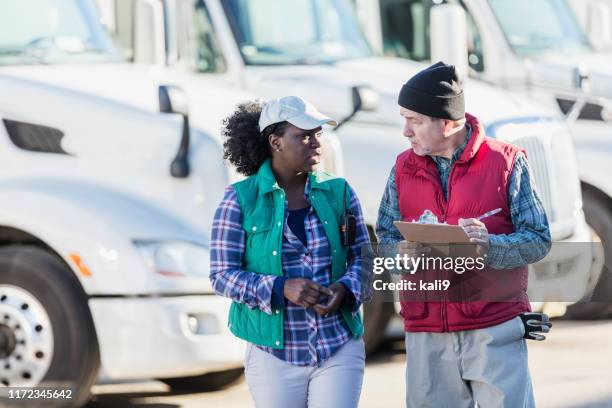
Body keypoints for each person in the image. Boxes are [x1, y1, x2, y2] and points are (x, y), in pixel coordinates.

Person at [376, 61, 552, 407]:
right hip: (426, 334)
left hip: (494, 328)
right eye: (404, 119)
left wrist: (490, 245)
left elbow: (538, 238)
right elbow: (384, 239)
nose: (406, 131)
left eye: (415, 120)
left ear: (449, 122)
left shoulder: (506, 163)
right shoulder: (401, 168)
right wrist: (402, 254)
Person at [210, 96, 370, 408]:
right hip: (273, 354)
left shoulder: (339, 192)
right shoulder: (239, 200)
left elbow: (363, 258)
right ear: (276, 141)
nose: (316, 144)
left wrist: (346, 289)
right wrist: (282, 288)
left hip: (338, 344)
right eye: (304, 136)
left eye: (318, 135)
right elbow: (221, 275)